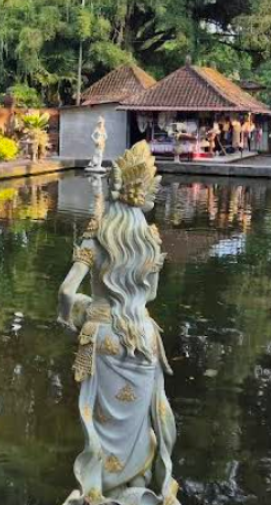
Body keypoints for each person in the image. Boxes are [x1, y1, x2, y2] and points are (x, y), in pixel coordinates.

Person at [58, 142, 177, 505]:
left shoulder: (97, 236)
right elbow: (151, 296)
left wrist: (78, 310)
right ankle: (137, 488)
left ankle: (101, 491)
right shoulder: (150, 241)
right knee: (140, 421)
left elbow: (65, 291)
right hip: (142, 334)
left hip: (104, 334)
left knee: (103, 422)